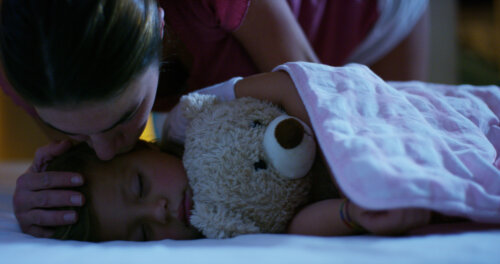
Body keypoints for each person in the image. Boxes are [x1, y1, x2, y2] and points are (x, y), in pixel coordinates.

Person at [0, 0, 429, 238]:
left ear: (162, 28)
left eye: (126, 116)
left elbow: (321, 95)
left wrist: (355, 201)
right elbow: (94, 170)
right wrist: (47, 196)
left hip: (360, 15)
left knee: (408, 150)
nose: (109, 150)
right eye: (77, 132)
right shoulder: (35, 63)